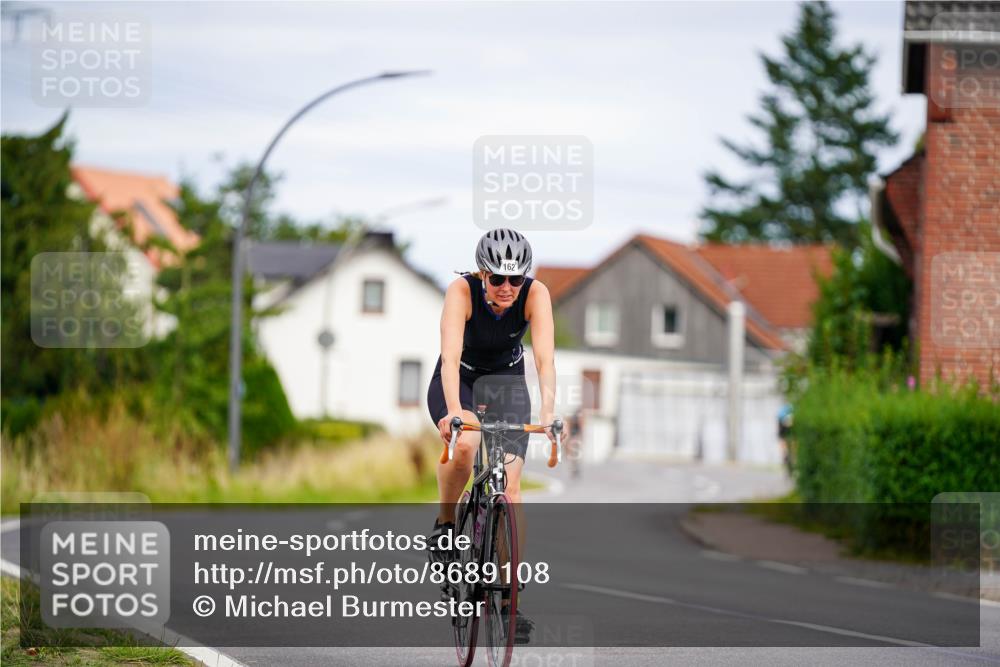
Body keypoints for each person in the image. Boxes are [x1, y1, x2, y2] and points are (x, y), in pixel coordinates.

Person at [425, 228, 557, 643]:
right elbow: (448, 359)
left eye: (515, 279)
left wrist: (550, 414)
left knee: (512, 492)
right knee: (465, 444)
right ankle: (446, 524)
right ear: (482, 274)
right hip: (459, 380)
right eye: (497, 278)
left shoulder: (537, 295)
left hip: (506, 384)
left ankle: (507, 600)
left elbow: (545, 360)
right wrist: (453, 414)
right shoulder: (460, 292)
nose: (506, 288)